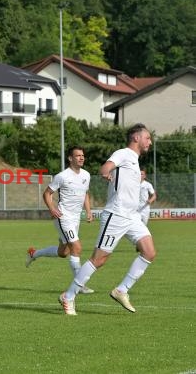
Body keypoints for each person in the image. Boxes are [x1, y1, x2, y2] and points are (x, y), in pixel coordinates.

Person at [59, 123, 156, 316]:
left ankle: (121, 290)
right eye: (147, 138)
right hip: (116, 215)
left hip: (132, 216)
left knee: (149, 252)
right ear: (136, 138)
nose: (150, 142)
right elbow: (107, 167)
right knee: (99, 259)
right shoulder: (124, 153)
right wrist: (105, 172)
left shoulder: (135, 160)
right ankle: (68, 296)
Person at [26, 146, 94, 293]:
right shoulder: (62, 176)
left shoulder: (86, 175)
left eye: (83, 155)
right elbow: (47, 194)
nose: (81, 158)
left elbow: (85, 194)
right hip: (63, 217)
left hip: (75, 218)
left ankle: (34, 253)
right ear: (70, 158)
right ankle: (79, 285)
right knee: (77, 248)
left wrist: (88, 211)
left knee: (64, 253)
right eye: (78, 156)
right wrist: (52, 209)